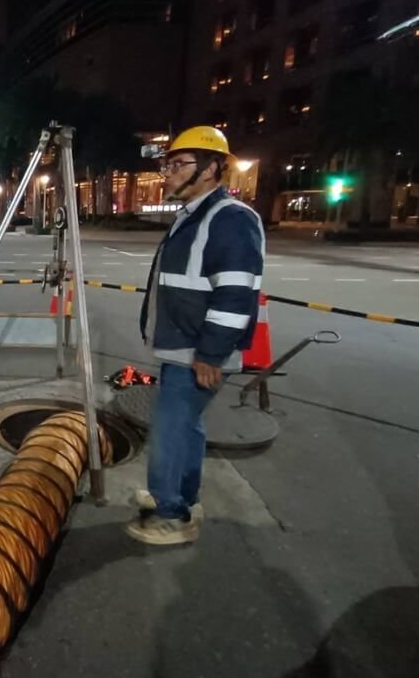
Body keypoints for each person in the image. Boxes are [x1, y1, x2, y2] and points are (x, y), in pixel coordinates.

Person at [127, 126, 265, 546]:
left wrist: (211, 353)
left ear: (210, 169)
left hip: (197, 351)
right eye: (167, 165)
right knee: (187, 427)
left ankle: (170, 514)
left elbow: (236, 292)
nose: (168, 173)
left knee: (170, 430)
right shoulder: (194, 216)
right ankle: (184, 497)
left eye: (178, 164)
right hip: (184, 346)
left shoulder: (229, 219)